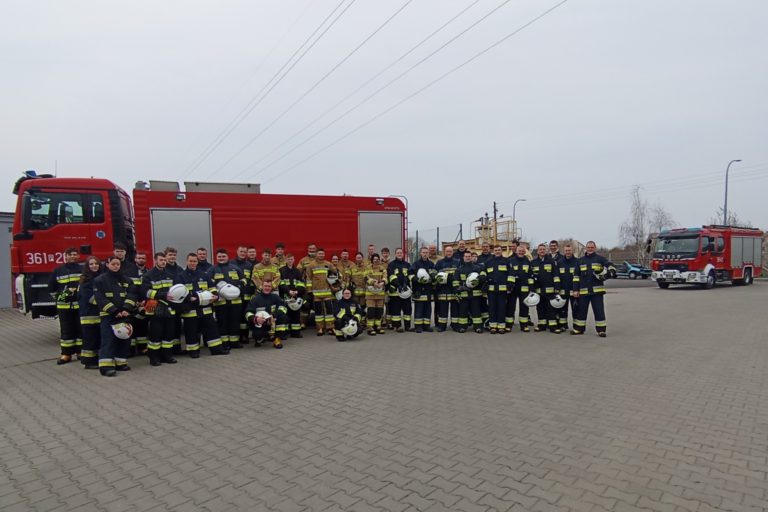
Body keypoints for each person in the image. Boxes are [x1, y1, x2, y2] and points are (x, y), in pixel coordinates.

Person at [93, 256, 137, 376]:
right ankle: (106, 367)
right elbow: (100, 298)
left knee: (124, 339)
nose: (116, 266)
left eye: (118, 264)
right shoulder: (99, 280)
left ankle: (121, 362)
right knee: (108, 340)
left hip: (124, 314)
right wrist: (114, 311)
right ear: (107, 264)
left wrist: (127, 309)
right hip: (108, 315)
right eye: (113, 264)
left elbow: (132, 294)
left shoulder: (127, 280)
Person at [176, 253, 226, 357]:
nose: (192, 263)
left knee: (212, 329)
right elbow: (178, 293)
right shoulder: (180, 276)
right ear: (186, 261)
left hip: (205, 308)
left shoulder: (203, 275)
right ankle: (193, 351)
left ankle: (216, 349)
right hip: (190, 310)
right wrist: (189, 298)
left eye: (194, 261)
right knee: (191, 331)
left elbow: (212, 287)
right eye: (190, 261)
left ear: (197, 262)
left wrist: (215, 295)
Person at [140, 251, 179, 366]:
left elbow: (175, 289)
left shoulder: (170, 275)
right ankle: (154, 357)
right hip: (154, 308)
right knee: (155, 334)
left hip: (169, 308)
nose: (163, 262)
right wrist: (162, 295)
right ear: (155, 260)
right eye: (161, 260)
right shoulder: (148, 275)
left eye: (164, 260)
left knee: (168, 334)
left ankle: (167, 356)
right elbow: (145, 292)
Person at [571, 241, 615, 338]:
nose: (590, 249)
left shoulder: (600, 259)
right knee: (581, 311)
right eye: (588, 247)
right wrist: (575, 290)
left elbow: (611, 266)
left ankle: (601, 330)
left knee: (599, 311)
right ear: (586, 248)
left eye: (592, 247)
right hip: (583, 291)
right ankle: (579, 329)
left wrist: (609, 273)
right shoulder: (580, 261)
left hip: (597, 292)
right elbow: (576, 276)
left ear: (595, 248)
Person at [50, 247, 83, 364]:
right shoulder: (58, 270)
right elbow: (52, 289)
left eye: (74, 254)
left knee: (80, 329)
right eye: (70, 254)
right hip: (64, 307)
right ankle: (66, 354)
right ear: (65, 256)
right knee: (66, 330)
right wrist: (65, 295)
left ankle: (80, 352)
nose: (72, 256)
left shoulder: (83, 270)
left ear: (78, 256)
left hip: (79, 306)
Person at [211, 248, 247, 349]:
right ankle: (225, 343)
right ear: (216, 258)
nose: (221, 258)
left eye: (223, 256)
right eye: (219, 256)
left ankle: (234, 342)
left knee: (235, 322)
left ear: (227, 257)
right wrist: (215, 292)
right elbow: (209, 284)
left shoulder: (235, 268)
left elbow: (244, 280)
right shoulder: (213, 269)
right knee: (223, 323)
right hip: (221, 303)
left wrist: (239, 287)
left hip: (236, 302)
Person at [245, 281, 288, 348]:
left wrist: (274, 315)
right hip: (261, 323)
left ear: (271, 288)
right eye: (265, 286)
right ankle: (261, 338)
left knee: (283, 317)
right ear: (262, 287)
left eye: (269, 286)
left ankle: (277, 339)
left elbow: (283, 307)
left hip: (273, 321)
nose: (267, 288)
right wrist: (256, 319)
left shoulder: (275, 297)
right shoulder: (255, 299)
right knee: (257, 335)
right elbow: (248, 313)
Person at [78, 256, 104, 369]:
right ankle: (88, 362)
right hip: (89, 315)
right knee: (90, 339)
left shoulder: (102, 277)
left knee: (98, 338)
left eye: (96, 264)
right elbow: (90, 298)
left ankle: (96, 359)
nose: (94, 266)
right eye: (91, 264)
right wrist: (107, 302)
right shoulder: (85, 280)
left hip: (99, 313)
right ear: (87, 266)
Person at [531, 243, 562, 333]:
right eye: (540, 249)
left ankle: (553, 326)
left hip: (550, 290)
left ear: (546, 250)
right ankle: (541, 325)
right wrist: (532, 288)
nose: (542, 251)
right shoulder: (533, 263)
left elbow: (556, 275)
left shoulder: (551, 261)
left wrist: (557, 286)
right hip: (538, 290)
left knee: (551, 308)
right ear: (537, 251)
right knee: (540, 308)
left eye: (543, 249)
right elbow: (531, 276)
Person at [305, 248, 338, 335]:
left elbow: (335, 275)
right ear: (316, 254)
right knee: (318, 311)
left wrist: (334, 284)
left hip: (327, 292)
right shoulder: (311, 265)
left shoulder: (328, 264)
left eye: (322, 254)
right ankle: (320, 328)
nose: (321, 255)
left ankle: (330, 327)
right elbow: (308, 278)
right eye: (319, 254)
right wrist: (309, 291)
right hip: (316, 293)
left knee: (329, 311)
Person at [452, 251, 486, 333]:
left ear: (471, 257)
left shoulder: (478, 268)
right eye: (466, 256)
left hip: (475, 295)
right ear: (463, 258)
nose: (467, 258)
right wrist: (459, 288)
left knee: (476, 312)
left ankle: (478, 327)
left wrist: (479, 278)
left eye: (469, 256)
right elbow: (455, 282)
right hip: (464, 295)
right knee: (463, 312)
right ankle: (462, 327)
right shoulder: (459, 269)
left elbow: (484, 276)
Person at [123, 251, 149, 355]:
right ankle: (131, 349)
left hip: (144, 303)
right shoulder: (128, 272)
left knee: (143, 325)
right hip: (132, 303)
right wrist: (134, 302)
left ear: (145, 260)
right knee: (131, 325)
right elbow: (126, 288)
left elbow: (149, 288)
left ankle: (142, 348)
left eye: (143, 258)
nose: (141, 260)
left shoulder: (148, 272)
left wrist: (145, 301)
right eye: (139, 258)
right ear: (135, 259)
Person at [485, 245, 514, 334]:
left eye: (499, 250)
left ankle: (501, 326)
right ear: (493, 251)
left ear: (501, 251)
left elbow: (511, 273)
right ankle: (493, 326)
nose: (497, 251)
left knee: (502, 308)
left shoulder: (506, 261)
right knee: (492, 308)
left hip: (502, 290)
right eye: (496, 250)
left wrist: (510, 284)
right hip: (491, 290)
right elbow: (484, 273)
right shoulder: (488, 262)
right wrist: (484, 282)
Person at [279, 254, 306, 338]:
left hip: (295, 295)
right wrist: (288, 291)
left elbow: (301, 283)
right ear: (286, 260)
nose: (290, 261)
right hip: (285, 295)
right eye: (288, 259)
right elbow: (281, 283)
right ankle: (286, 332)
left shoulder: (297, 271)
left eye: (291, 259)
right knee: (286, 314)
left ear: (294, 260)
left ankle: (296, 332)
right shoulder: (281, 270)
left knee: (296, 314)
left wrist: (297, 291)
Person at [508, 245, 534, 332]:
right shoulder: (511, 260)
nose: (521, 252)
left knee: (524, 307)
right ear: (516, 251)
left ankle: (524, 325)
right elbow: (508, 274)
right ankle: (509, 325)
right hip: (513, 288)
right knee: (511, 307)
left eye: (523, 251)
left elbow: (530, 275)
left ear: (525, 252)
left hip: (524, 288)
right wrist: (509, 286)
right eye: (519, 251)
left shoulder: (527, 261)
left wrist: (531, 286)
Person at [232, 245, 255, 344]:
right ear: (237, 252)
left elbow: (252, 279)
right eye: (241, 251)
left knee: (244, 316)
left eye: (244, 252)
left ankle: (244, 336)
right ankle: (235, 336)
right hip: (234, 296)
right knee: (235, 316)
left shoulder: (249, 265)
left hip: (246, 295)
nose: (243, 253)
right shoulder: (231, 264)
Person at [387, 248, 413, 332]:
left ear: (403, 254)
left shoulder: (407, 264)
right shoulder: (391, 264)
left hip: (405, 291)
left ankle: (407, 326)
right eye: (398, 253)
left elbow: (409, 275)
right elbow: (391, 276)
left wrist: (406, 284)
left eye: (400, 252)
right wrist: (398, 285)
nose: (399, 254)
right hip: (395, 292)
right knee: (396, 310)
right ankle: (397, 326)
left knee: (407, 310)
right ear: (395, 254)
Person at [434, 246, 459, 332]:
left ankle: (455, 325)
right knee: (442, 310)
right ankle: (442, 326)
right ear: (444, 252)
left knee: (455, 310)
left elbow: (459, 274)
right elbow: (434, 273)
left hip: (453, 289)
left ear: (453, 252)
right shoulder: (440, 262)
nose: (449, 253)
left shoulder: (457, 262)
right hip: (442, 289)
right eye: (447, 251)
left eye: (450, 251)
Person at [410, 246, 435, 333]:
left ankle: (426, 326)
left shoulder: (431, 264)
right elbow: (410, 275)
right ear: (420, 253)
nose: (425, 254)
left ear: (428, 254)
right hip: (418, 290)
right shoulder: (416, 264)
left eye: (426, 252)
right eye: (423, 252)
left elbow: (434, 274)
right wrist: (417, 280)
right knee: (419, 309)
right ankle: (418, 326)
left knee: (428, 309)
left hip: (428, 290)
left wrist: (432, 279)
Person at [364, 254, 387, 335]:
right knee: (371, 310)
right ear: (372, 260)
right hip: (370, 294)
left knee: (379, 311)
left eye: (377, 259)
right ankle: (370, 327)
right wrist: (373, 282)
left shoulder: (382, 268)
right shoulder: (368, 268)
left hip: (380, 293)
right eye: (374, 259)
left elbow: (385, 276)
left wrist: (383, 282)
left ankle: (378, 326)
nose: (376, 260)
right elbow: (366, 277)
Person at [558, 244, 579, 332]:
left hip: (574, 291)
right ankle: (563, 325)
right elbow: (557, 276)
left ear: (572, 251)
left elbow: (579, 277)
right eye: (566, 250)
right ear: (564, 251)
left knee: (576, 309)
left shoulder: (577, 262)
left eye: (569, 250)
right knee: (562, 309)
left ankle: (576, 326)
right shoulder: (560, 262)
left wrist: (577, 289)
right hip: (563, 291)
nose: (568, 252)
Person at [349, 252, 368, 317]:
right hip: (355, 293)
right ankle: (355, 320)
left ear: (362, 258)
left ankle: (362, 320)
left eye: (360, 258)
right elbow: (348, 278)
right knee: (355, 307)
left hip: (364, 293)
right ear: (355, 258)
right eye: (357, 258)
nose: (358, 259)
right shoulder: (352, 268)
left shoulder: (367, 268)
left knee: (363, 307)